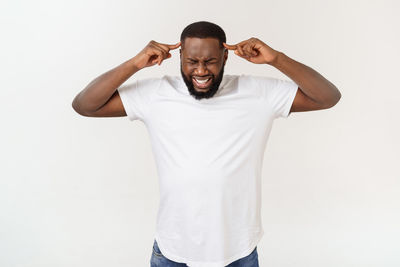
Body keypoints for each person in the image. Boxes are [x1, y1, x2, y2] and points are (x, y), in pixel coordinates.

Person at [72, 21, 341, 267]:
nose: (201, 70)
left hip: (238, 252)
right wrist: (134, 64)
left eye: (211, 61)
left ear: (226, 57)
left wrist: (276, 59)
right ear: (179, 57)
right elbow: (85, 105)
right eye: (192, 61)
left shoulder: (258, 93)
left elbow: (327, 97)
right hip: (172, 252)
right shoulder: (156, 94)